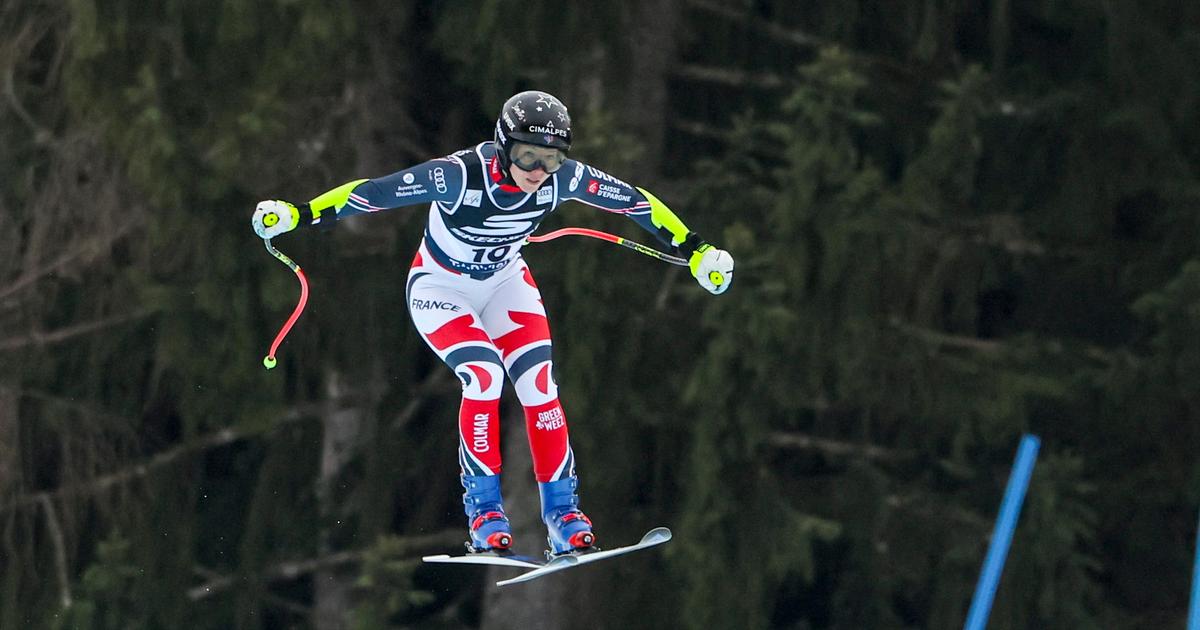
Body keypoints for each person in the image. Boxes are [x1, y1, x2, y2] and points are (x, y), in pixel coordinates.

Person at [251, 91, 734, 555]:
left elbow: (634, 201)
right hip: (441, 290)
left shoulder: (561, 180)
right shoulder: (458, 176)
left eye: (553, 161)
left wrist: (696, 251)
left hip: (505, 283)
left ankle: (564, 516)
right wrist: (297, 213)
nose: (539, 173)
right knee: (483, 375)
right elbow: (373, 194)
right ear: (504, 147)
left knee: (539, 385)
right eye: (528, 158)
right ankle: (484, 514)